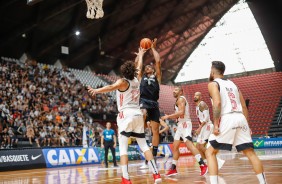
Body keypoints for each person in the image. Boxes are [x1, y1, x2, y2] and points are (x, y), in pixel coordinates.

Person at [87, 58, 161, 184]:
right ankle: (156, 175)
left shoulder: (122, 82)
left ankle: (126, 178)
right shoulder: (137, 80)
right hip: (138, 114)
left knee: (123, 149)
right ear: (134, 71)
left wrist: (96, 90)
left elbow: (111, 87)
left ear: (123, 72)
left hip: (126, 114)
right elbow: (138, 67)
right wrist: (141, 54)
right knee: (144, 146)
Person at [205, 61, 267, 184]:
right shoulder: (233, 84)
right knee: (250, 153)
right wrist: (247, 125)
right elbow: (244, 106)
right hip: (240, 118)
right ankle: (263, 182)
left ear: (212, 71)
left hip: (227, 118)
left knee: (209, 152)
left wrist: (216, 124)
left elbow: (217, 103)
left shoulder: (213, 84)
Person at [161, 86, 208, 176]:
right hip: (180, 125)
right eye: (173, 90)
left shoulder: (181, 99)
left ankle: (203, 165)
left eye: (176, 90)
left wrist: (168, 116)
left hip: (185, 124)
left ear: (181, 92)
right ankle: (173, 168)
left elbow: (181, 112)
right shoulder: (178, 100)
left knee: (189, 145)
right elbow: (180, 114)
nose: (174, 91)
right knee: (175, 147)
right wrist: (177, 121)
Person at [136, 39, 162, 162]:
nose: (147, 67)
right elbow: (138, 66)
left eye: (149, 66)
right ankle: (139, 132)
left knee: (155, 131)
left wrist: (152, 48)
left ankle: (154, 153)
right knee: (143, 113)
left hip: (154, 103)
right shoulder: (141, 77)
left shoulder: (157, 76)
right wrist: (141, 55)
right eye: (146, 67)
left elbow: (158, 61)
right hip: (144, 101)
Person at [194, 92, 225, 169]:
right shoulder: (197, 106)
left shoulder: (202, 104)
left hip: (207, 126)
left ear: (201, 97)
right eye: (194, 95)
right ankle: (206, 163)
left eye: (197, 95)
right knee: (198, 146)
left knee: (201, 146)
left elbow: (207, 117)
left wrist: (199, 128)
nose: (195, 96)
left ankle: (217, 161)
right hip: (203, 127)